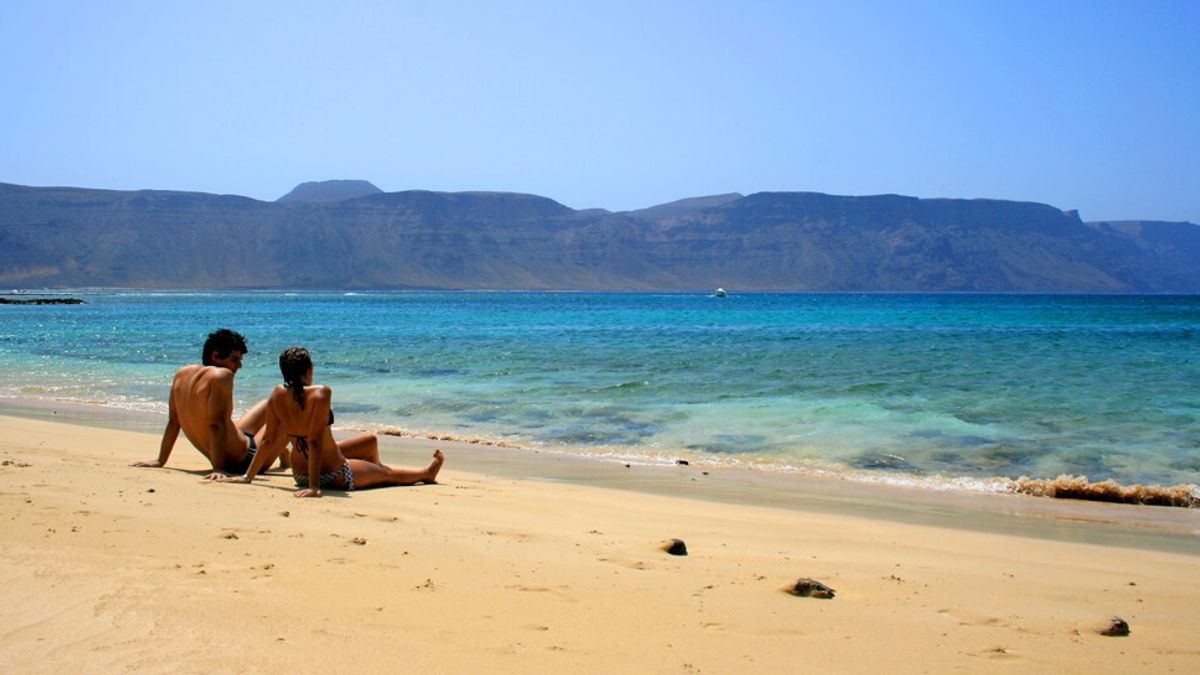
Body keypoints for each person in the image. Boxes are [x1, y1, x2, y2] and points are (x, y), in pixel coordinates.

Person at [214, 346, 443, 497]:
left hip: (300, 472)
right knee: (387, 474)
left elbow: (267, 441)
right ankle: (424, 474)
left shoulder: (277, 394)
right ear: (309, 369)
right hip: (332, 473)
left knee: (370, 441)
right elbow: (313, 441)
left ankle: (370, 471)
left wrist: (248, 477)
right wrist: (315, 487)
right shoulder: (321, 393)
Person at [133, 328, 271, 475]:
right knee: (289, 409)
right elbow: (216, 424)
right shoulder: (222, 376)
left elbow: (174, 422)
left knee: (270, 403)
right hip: (246, 460)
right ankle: (286, 458)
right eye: (234, 360)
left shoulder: (182, 374)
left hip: (237, 444)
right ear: (216, 356)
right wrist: (218, 468)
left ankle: (283, 456)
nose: (239, 366)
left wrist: (160, 460)